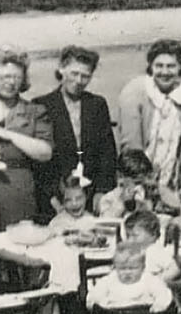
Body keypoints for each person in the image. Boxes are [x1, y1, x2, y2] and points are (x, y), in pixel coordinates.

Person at [33, 46, 118, 221]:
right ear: (61, 69)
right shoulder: (42, 105)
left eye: (85, 76)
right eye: (74, 73)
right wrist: (53, 198)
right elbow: (39, 162)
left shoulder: (97, 104)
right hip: (56, 195)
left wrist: (102, 191)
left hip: (91, 193)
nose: (78, 81)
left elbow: (107, 152)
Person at [0, 50, 53, 228]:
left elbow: (45, 153)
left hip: (19, 193)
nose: (10, 83)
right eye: (5, 76)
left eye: (16, 77)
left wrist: (6, 134)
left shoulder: (34, 111)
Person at [117, 40, 181, 186]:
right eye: (159, 66)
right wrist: (141, 180)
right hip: (140, 173)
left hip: (171, 173)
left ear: (180, 67)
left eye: (171, 66)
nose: (165, 72)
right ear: (150, 66)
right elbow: (131, 144)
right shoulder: (134, 90)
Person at [98, 149, 160, 218]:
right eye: (136, 183)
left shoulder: (146, 198)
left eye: (142, 183)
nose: (139, 186)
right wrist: (122, 202)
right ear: (121, 177)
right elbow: (106, 221)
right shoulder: (109, 199)